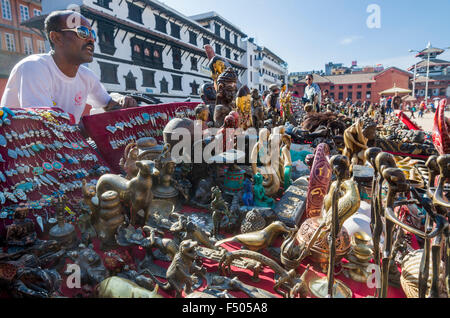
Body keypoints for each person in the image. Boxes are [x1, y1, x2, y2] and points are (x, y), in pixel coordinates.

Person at [0, 10, 137, 123]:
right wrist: (93, 126)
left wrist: (121, 98)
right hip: (17, 150)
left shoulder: (86, 76)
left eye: (92, 34)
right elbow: (44, 126)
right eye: (82, 32)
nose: (91, 39)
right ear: (56, 38)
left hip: (60, 149)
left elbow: (108, 103)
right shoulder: (33, 67)